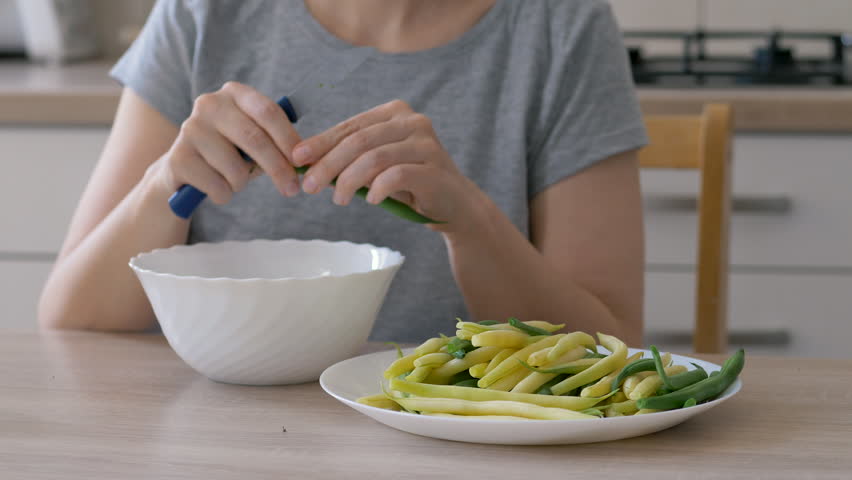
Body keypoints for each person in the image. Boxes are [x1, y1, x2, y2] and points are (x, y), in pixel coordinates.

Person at [38, 0, 647, 346]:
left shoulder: (562, 27)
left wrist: (472, 222)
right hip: (220, 436)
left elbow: (612, 345)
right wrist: (162, 185)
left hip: (463, 442)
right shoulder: (204, 12)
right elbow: (72, 318)